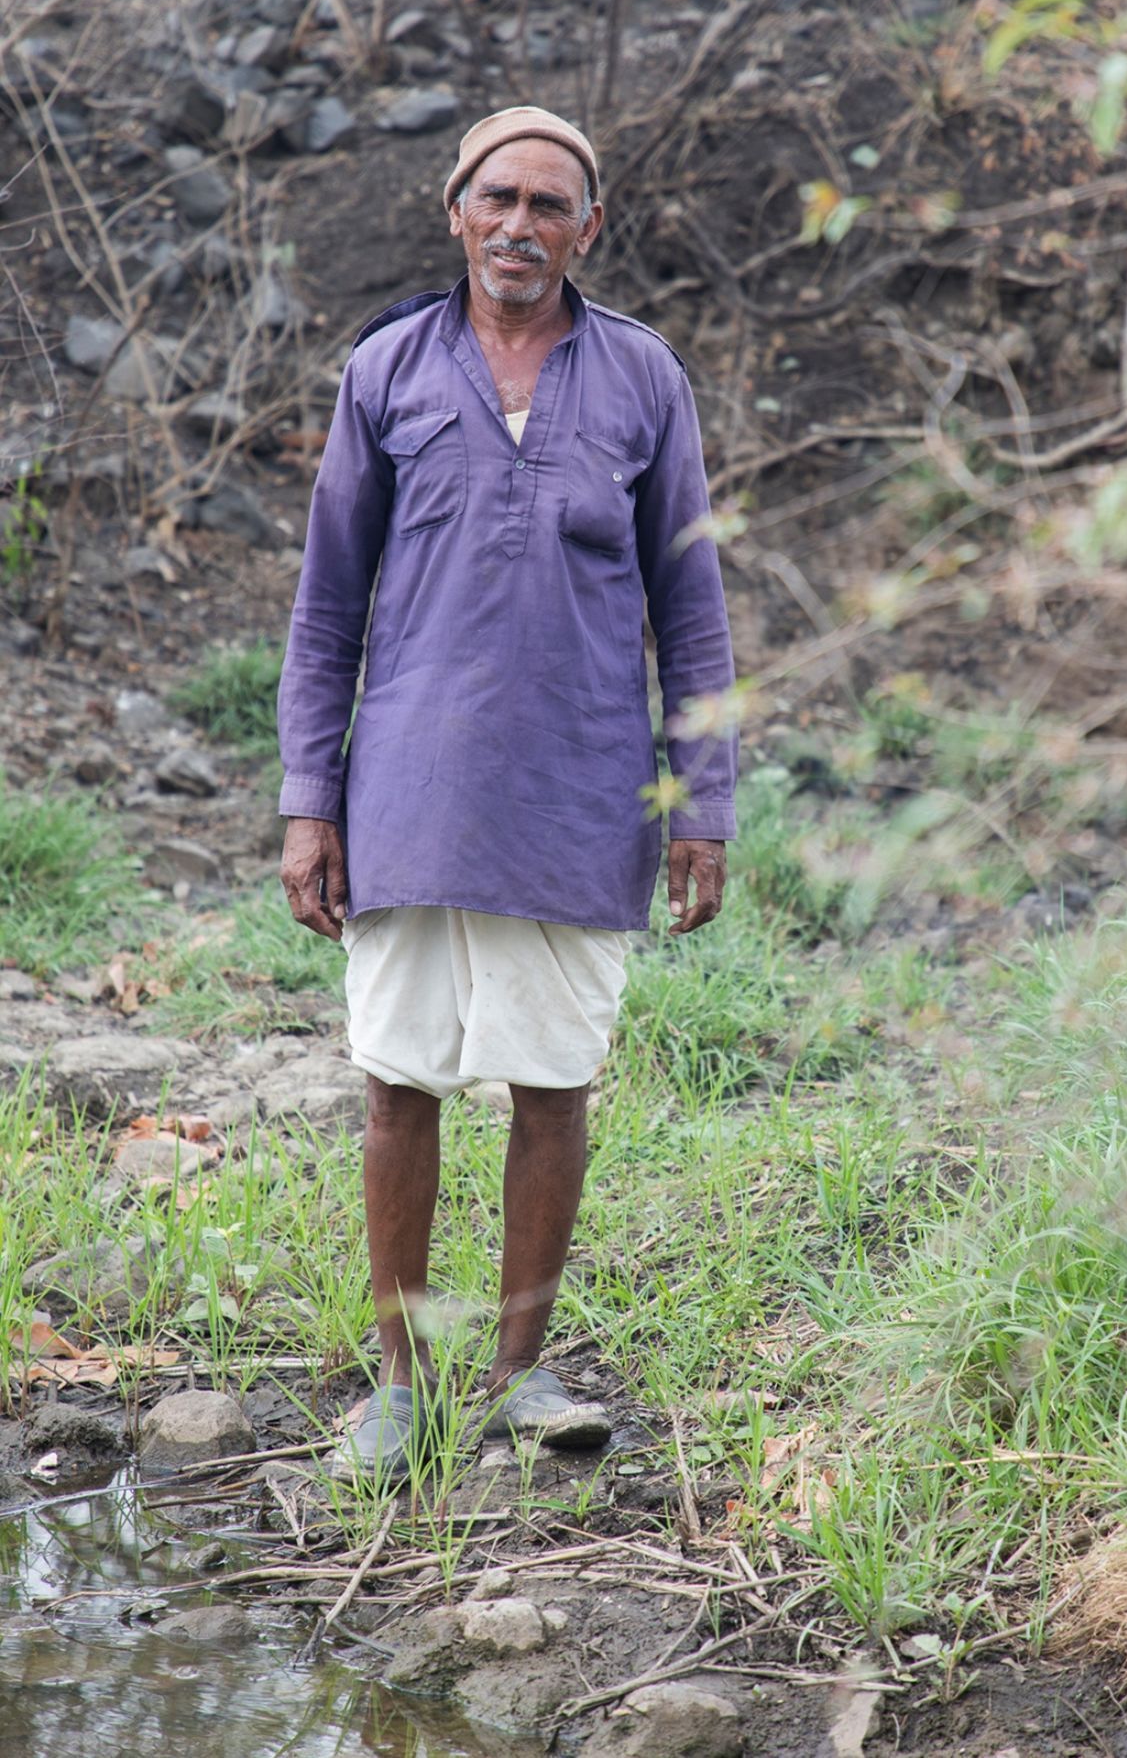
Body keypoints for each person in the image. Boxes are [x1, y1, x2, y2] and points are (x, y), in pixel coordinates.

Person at [277, 104, 737, 1481]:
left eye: (550, 205)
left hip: (580, 789)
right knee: (400, 1085)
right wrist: (312, 801)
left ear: (587, 230)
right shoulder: (387, 371)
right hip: (407, 789)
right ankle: (402, 1384)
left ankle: (520, 1375)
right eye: (499, 199)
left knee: (550, 1085)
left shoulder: (643, 381)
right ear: (455, 210)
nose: (521, 226)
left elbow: (693, 613)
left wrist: (700, 802)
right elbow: (323, 614)